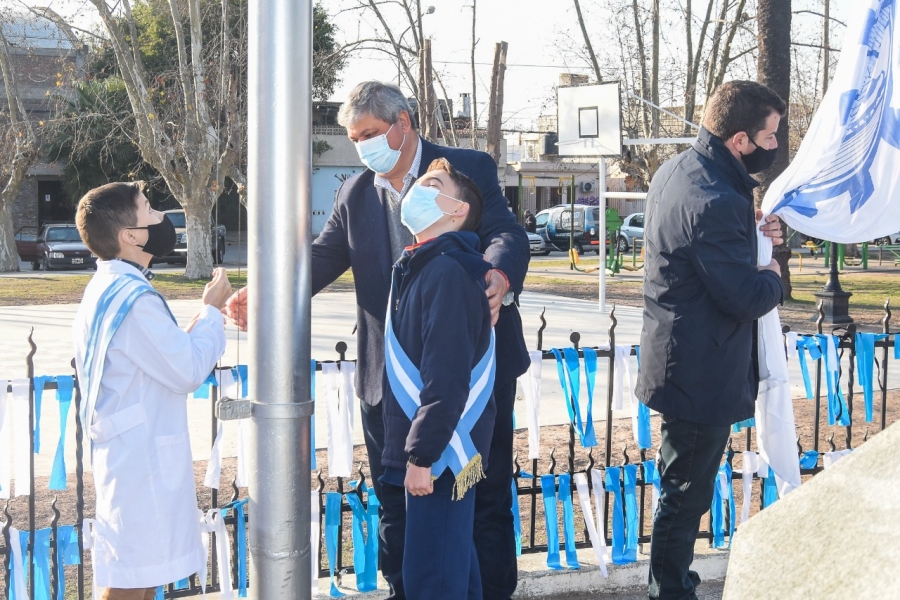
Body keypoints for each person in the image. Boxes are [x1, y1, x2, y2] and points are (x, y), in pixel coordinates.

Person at [224, 80, 530, 600]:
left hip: (464, 378)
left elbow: (506, 233)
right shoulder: (355, 192)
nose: (361, 145)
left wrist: (498, 276)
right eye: (353, 136)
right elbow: (319, 259)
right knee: (397, 499)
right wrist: (266, 292)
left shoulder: (462, 172)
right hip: (388, 382)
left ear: (403, 124)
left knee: (482, 499)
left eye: (368, 133)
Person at [635, 80, 786, 599]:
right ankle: (670, 590)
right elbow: (744, 295)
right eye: (769, 137)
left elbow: (711, 254)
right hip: (699, 371)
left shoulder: (680, 170)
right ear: (740, 141)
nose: (774, 147)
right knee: (684, 494)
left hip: (683, 357)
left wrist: (756, 233)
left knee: (682, 488)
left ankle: (675, 582)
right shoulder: (716, 197)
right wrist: (775, 271)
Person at [72, 182, 232, 600]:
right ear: (130, 236)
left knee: (142, 574)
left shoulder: (112, 287)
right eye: (149, 211)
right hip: (138, 458)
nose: (162, 218)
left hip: (133, 450)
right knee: (131, 579)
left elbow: (167, 353)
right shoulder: (131, 297)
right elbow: (187, 370)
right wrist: (212, 310)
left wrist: (203, 316)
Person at [383, 158, 495, 599]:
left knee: (433, 580)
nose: (418, 190)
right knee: (450, 574)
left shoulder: (446, 271)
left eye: (433, 184)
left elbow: (446, 378)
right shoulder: (424, 266)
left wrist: (422, 455)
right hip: (438, 455)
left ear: (456, 210)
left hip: (442, 456)